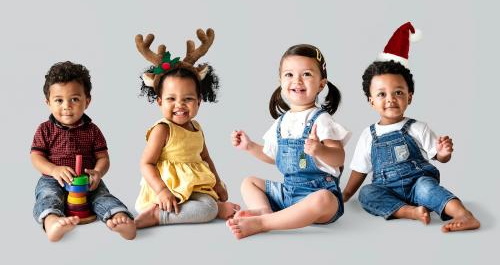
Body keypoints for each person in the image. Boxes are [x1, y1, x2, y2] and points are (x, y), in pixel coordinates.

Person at [343, 22, 480, 232]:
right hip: (386, 188)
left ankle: (464, 214)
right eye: (381, 94)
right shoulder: (368, 135)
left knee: (428, 189)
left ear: (410, 97)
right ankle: (410, 211)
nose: (390, 99)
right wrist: (345, 195)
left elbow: (439, 157)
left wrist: (443, 153)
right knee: (367, 193)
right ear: (371, 101)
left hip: (418, 183)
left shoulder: (417, 127)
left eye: (398, 92)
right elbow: (360, 169)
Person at [227, 44, 350, 239]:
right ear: (280, 81)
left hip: (317, 193)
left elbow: (339, 157)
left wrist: (319, 150)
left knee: (323, 199)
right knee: (248, 182)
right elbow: (272, 156)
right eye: (289, 74)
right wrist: (249, 146)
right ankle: (264, 211)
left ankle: (264, 222)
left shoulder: (321, 119)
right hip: (288, 193)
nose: (297, 80)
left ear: (321, 84)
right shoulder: (281, 122)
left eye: (307, 74)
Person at [133, 29, 240, 228]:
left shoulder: (196, 127)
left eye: (188, 99)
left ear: (199, 101)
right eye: (171, 99)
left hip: (190, 184)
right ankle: (157, 215)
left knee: (210, 202)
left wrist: (217, 182)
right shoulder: (163, 129)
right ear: (159, 101)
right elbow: (146, 164)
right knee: (208, 209)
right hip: (167, 189)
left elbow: (205, 158)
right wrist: (162, 190)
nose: (180, 105)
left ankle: (214, 206)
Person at [31, 61, 136, 242]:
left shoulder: (92, 130)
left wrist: (97, 172)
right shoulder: (44, 129)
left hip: (87, 181)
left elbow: (103, 157)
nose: (67, 106)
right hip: (53, 180)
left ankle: (119, 217)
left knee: (102, 196)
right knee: (48, 196)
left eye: (74, 99)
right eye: (59, 100)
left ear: (87, 101)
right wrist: (54, 170)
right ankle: (52, 222)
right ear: (48, 102)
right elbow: (36, 157)